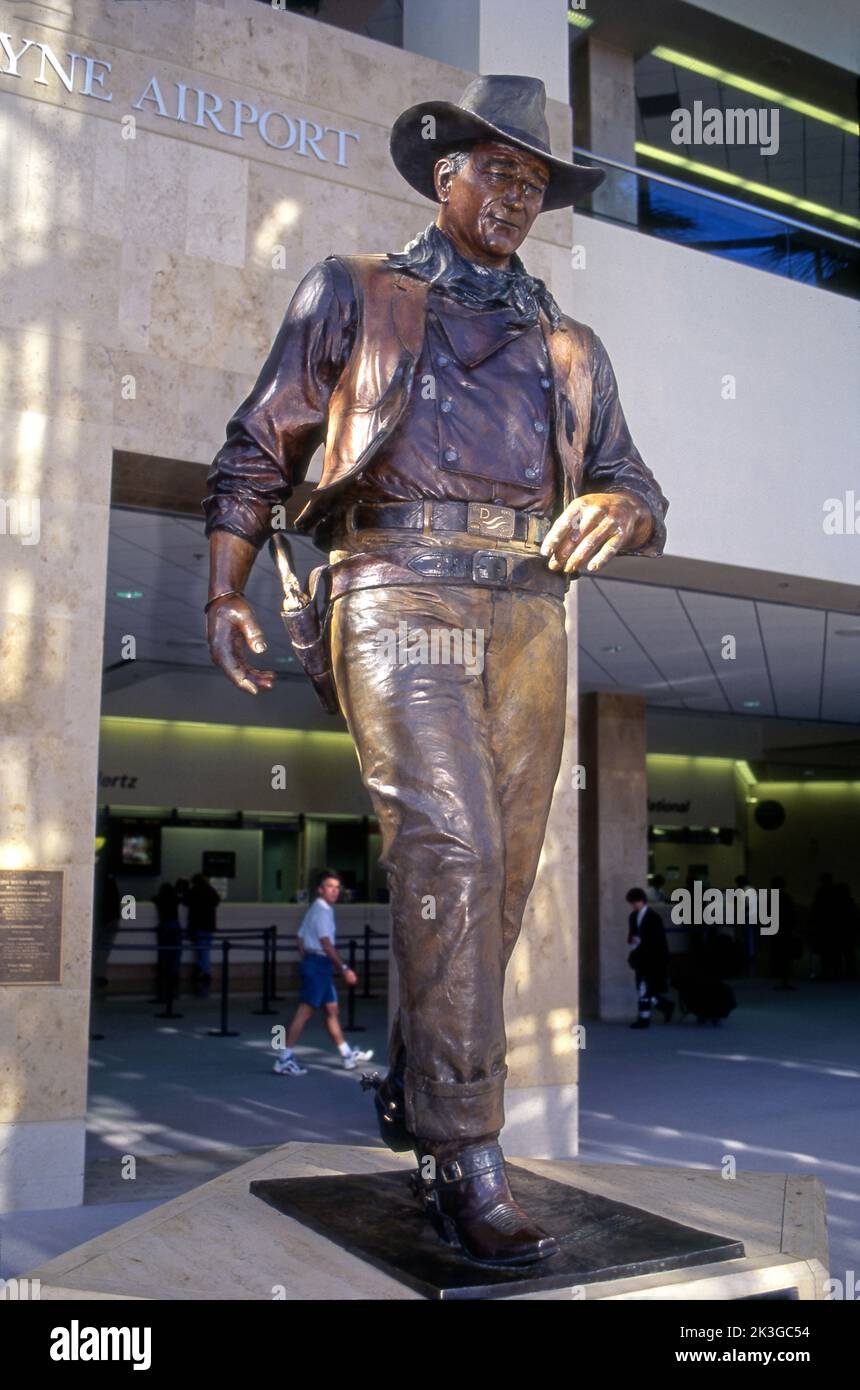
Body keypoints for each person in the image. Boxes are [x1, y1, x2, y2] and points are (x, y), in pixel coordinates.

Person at [204, 75, 668, 1265]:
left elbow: (634, 483)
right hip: (393, 590)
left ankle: (418, 1096)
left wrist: (618, 507)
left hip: (528, 614)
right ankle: (467, 1149)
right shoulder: (357, 291)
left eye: (533, 181)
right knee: (450, 854)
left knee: (494, 888)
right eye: (496, 170)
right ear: (442, 173)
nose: (514, 194)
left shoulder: (570, 345)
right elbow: (261, 440)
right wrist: (224, 584)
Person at [273, 870, 373, 1075]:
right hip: (319, 964)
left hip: (318, 964)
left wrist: (309, 957)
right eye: (330, 887)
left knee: (331, 1011)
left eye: (337, 888)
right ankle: (284, 1058)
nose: (334, 891)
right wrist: (344, 969)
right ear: (320, 890)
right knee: (305, 1012)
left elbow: (300, 938)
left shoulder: (316, 909)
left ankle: (346, 1054)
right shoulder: (323, 911)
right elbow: (327, 944)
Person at [626, 887, 674, 1029]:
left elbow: (658, 940)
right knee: (643, 988)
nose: (634, 905)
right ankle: (663, 1006)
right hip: (640, 956)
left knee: (643, 988)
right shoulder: (633, 916)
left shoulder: (654, 918)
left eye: (635, 902)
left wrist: (640, 941)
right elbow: (631, 934)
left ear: (642, 901)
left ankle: (644, 1018)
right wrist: (633, 940)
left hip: (651, 957)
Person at [185, 872, 221, 998]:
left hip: (198, 925)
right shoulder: (211, 890)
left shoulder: (193, 891)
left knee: (201, 950)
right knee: (205, 949)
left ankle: (204, 972)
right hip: (209, 926)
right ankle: (203, 971)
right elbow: (217, 901)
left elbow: (185, 901)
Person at [153, 882, 183, 1004]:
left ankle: (164, 975)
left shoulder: (159, 899)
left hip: (164, 926)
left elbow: (154, 899)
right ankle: (174, 974)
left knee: (164, 953)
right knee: (175, 952)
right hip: (175, 926)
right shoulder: (176, 899)